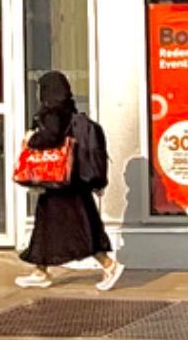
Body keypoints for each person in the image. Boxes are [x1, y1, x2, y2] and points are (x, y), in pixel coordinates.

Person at [12, 69, 119, 292]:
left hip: (62, 185)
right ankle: (40, 271)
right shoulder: (69, 109)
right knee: (48, 225)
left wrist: (32, 139)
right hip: (71, 181)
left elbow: (51, 137)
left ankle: (109, 265)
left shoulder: (53, 111)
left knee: (76, 227)